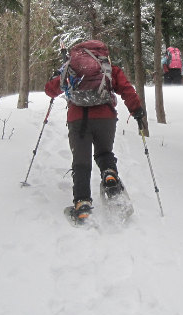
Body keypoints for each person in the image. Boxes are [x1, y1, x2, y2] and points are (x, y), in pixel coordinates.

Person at [45, 40, 146, 222]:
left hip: (78, 120)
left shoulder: (70, 68)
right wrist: (137, 111)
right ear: (102, 53)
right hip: (105, 118)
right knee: (104, 153)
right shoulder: (108, 68)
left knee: (81, 163)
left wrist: (57, 76)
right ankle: (110, 176)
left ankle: (82, 206)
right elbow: (126, 89)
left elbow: (50, 91)